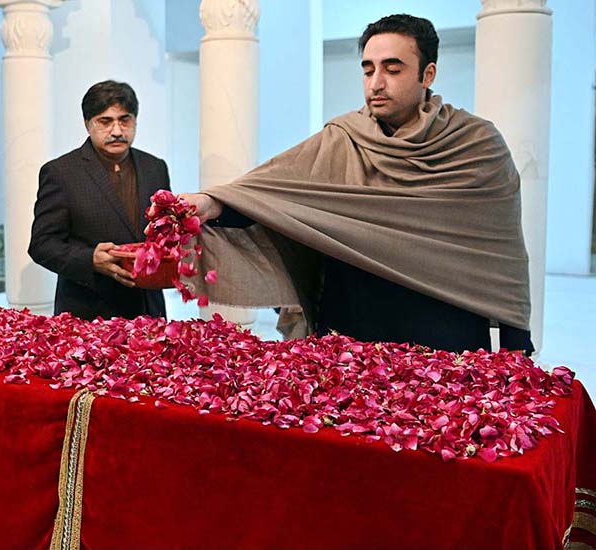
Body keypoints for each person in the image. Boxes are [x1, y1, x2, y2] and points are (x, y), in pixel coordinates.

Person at [182, 14, 534, 354]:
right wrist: (210, 202)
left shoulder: (476, 145)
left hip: (444, 339)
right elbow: (272, 195)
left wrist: (516, 341)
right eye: (368, 70)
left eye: (392, 69)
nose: (376, 83)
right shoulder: (343, 139)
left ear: (428, 74)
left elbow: (500, 254)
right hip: (352, 338)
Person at [29, 80, 170, 320]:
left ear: (135, 121)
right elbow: (42, 245)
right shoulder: (62, 172)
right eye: (105, 121)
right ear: (88, 124)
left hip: (149, 309)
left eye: (125, 120)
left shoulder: (154, 167)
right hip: (89, 313)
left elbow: (163, 230)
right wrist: (90, 259)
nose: (117, 131)